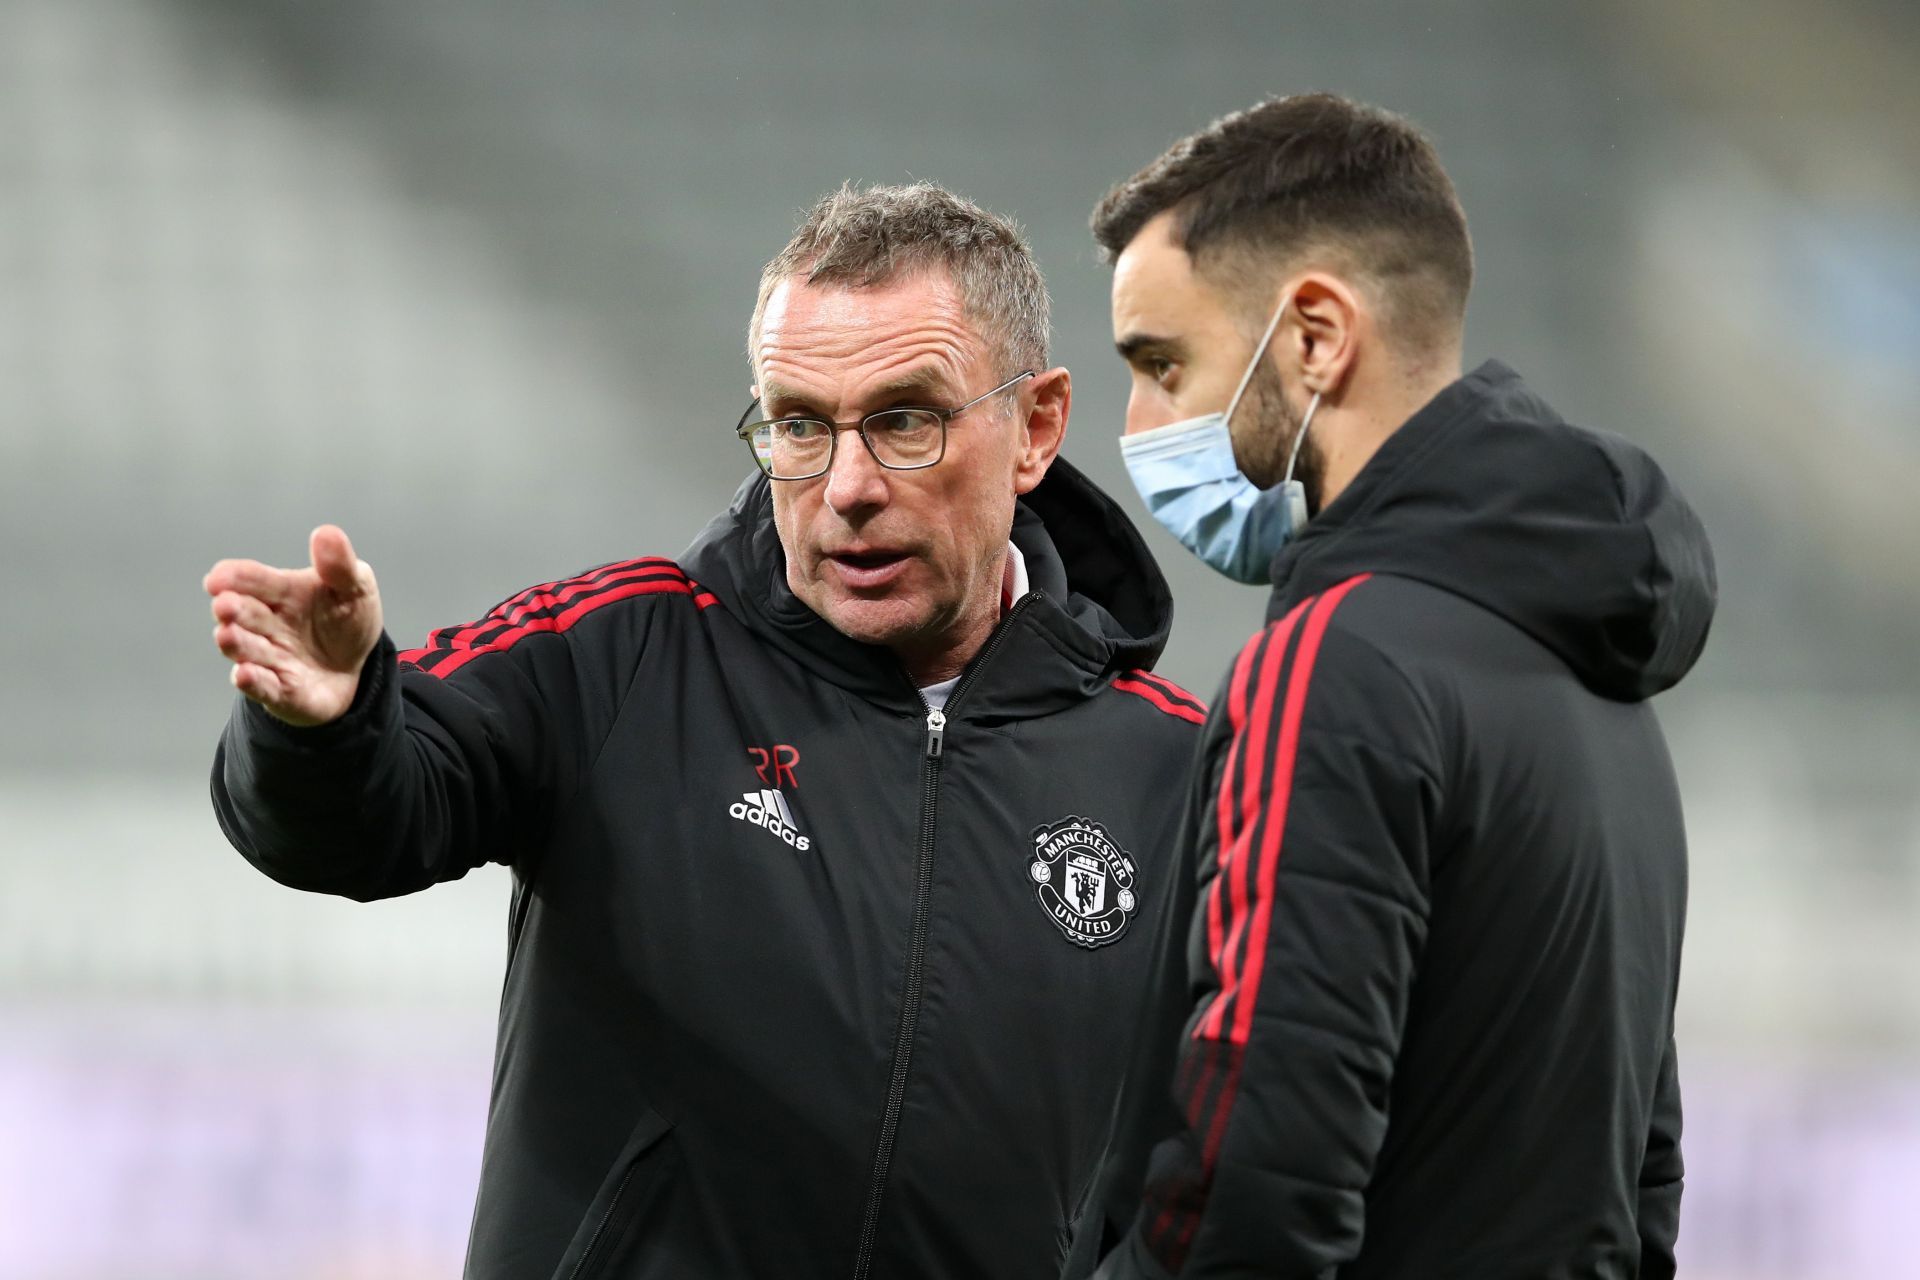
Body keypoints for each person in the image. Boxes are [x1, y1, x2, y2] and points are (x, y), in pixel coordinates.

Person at [204, 182, 1208, 1280]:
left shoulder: (1171, 770)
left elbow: (1191, 1185)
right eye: (798, 425)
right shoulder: (619, 652)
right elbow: (375, 814)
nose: (849, 486)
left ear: (1037, 427)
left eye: (906, 420)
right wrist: (331, 726)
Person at [1071, 95, 1717, 1278]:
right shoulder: (1604, 676)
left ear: (1315, 335)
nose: (1138, 421)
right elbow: (1644, 1181)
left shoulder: (1337, 664)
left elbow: (1252, 1187)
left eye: (1165, 363)